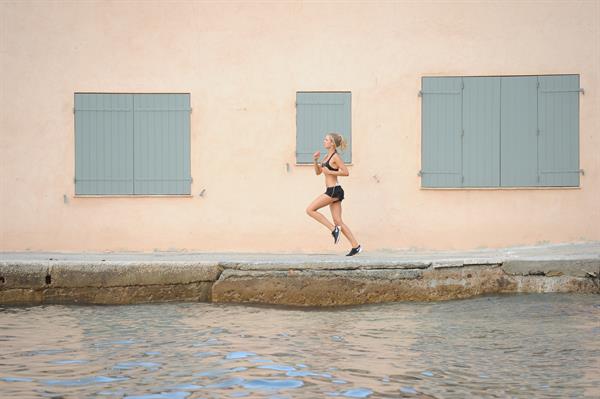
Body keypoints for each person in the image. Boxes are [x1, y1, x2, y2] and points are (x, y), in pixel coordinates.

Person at [305, 133, 362, 256]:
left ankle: (333, 230)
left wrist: (330, 171)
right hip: (332, 190)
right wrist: (315, 160)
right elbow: (318, 172)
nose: (324, 141)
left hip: (334, 191)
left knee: (310, 210)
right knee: (338, 221)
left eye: (326, 140)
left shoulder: (335, 157)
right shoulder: (326, 156)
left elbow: (346, 172)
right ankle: (356, 246)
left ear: (332, 143)